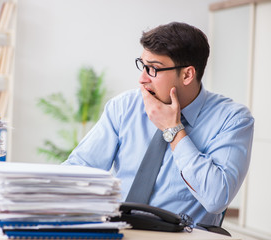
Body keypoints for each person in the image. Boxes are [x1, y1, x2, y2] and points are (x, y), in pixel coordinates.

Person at [63, 22, 254, 226]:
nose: (142, 79)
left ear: (187, 74)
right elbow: (79, 170)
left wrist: (173, 130)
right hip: (118, 230)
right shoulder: (124, 106)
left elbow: (216, 199)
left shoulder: (233, 119)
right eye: (143, 65)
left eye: (154, 69)